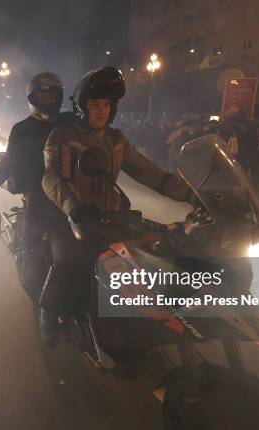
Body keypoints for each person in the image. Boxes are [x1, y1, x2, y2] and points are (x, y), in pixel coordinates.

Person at [40, 66, 195, 342]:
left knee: (159, 254)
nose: (101, 111)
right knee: (67, 262)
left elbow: (151, 173)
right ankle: (48, 314)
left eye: (107, 105)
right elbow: (52, 178)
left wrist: (192, 195)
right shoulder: (62, 137)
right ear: (82, 106)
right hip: (73, 218)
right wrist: (74, 209)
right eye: (95, 104)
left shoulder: (115, 140)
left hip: (113, 218)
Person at [0, 72, 76, 301]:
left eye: (51, 96)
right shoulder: (22, 129)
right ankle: (45, 309)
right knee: (32, 253)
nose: (47, 101)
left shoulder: (71, 123)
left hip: (76, 195)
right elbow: (6, 166)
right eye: (41, 97)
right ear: (32, 99)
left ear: (59, 98)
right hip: (39, 199)